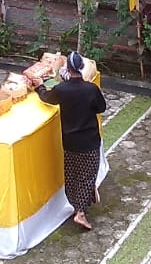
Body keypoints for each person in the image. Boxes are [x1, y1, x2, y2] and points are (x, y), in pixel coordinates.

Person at [37, 51, 107, 231]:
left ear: (67, 69)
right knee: (88, 174)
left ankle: (77, 202)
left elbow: (47, 98)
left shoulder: (62, 89)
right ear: (81, 68)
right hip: (89, 140)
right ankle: (80, 212)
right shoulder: (91, 89)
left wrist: (40, 87)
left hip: (69, 140)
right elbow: (102, 107)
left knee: (73, 174)